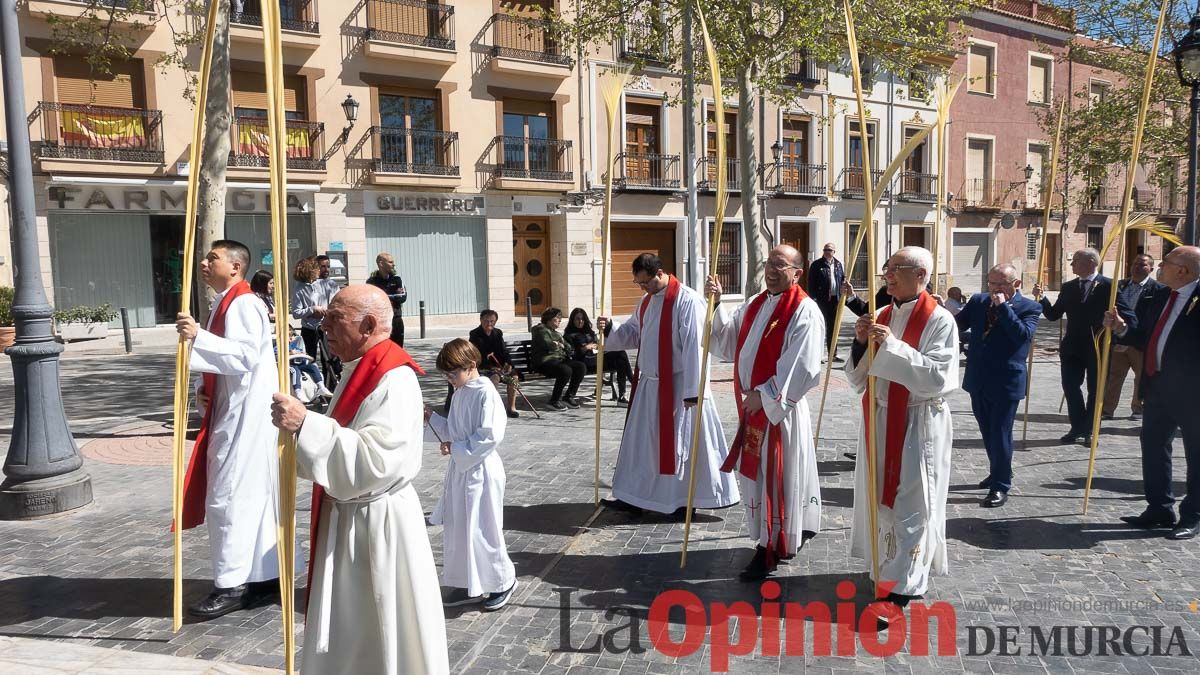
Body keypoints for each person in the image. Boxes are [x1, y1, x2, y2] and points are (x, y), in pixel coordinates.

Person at [268, 285, 449, 674]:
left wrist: (306, 424)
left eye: (335, 318)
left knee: (379, 627)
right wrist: (297, 433)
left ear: (368, 325)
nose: (324, 326)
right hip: (349, 519)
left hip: (376, 524)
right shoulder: (358, 367)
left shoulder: (393, 380)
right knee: (350, 630)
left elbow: (375, 462)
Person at [846, 246, 958, 627]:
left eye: (896, 269)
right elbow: (857, 378)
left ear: (921, 275)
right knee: (882, 500)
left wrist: (891, 345)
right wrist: (861, 342)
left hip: (917, 423)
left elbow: (938, 379)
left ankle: (902, 588)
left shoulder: (940, 320)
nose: (887, 275)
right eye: (887, 268)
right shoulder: (880, 314)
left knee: (913, 505)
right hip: (880, 419)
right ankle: (885, 569)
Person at [173, 240, 280, 619]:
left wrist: (198, 336)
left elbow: (246, 355)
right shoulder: (227, 300)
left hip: (245, 418)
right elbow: (233, 358)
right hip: (234, 409)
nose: (204, 263)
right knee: (251, 495)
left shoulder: (244, 303)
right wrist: (209, 390)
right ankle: (265, 578)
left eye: (213, 258)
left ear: (236, 266)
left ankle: (232, 583)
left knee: (229, 495)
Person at [707, 244, 824, 581]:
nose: (772, 269)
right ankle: (779, 535)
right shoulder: (756, 305)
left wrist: (767, 395)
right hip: (756, 407)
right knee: (760, 478)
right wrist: (715, 305)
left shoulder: (804, 310)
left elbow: (802, 364)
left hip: (779, 412)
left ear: (797, 273)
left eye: (781, 264)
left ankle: (770, 547)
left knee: (777, 477)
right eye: (769, 262)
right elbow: (727, 343)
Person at [596, 253, 740, 517]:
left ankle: (682, 501)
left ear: (660, 273)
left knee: (680, 447)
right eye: (638, 283)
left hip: (678, 389)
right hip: (649, 387)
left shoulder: (688, 301)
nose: (643, 288)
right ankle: (635, 496)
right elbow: (634, 333)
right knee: (642, 446)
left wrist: (692, 392)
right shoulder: (647, 301)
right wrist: (609, 329)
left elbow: (695, 348)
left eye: (646, 282)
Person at [1105, 246, 1200, 540]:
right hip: (1157, 386)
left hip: (1193, 393)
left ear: (1183, 271)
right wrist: (1121, 329)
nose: (1160, 267)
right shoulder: (1161, 294)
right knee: (1154, 447)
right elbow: (1145, 336)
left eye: (1166, 263)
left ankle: (1192, 516)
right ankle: (1159, 508)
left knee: (1196, 455)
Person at [424, 339, 518, 610]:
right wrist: (432, 418)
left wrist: (458, 448)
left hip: (482, 469)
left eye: (453, 374)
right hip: (462, 469)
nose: (450, 380)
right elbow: (455, 430)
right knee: (460, 529)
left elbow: (489, 436)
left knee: (483, 529)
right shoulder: (461, 391)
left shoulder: (485, 391)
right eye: (446, 375)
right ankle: (469, 582)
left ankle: (502, 581)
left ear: (472, 366)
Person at [952, 264, 1041, 508]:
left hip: (1006, 381)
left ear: (1017, 284)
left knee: (1000, 433)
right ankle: (999, 470)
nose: (995, 289)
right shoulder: (979, 301)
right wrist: (940, 311)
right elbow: (956, 325)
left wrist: (1003, 307)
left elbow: (1022, 335)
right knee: (987, 431)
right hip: (978, 378)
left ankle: (1001, 485)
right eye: (992, 283)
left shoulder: (1030, 307)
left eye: (1001, 284)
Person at [1033, 248, 1112, 445]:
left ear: (1091, 263)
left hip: (1098, 347)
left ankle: (1090, 429)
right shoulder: (1068, 287)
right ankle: (1077, 427)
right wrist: (1042, 298)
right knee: (1070, 387)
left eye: (1076, 260)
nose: (1071, 264)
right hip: (1072, 348)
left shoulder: (1110, 287)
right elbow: (1053, 315)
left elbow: (1125, 314)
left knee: (1095, 390)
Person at [1102, 254, 1163, 421]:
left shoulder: (1157, 290)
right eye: (1135, 263)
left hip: (1141, 342)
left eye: (1142, 265)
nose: (1136, 267)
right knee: (1114, 376)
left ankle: (1138, 407)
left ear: (1151, 268)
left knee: (1141, 376)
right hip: (1119, 339)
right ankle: (1107, 409)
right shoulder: (1119, 286)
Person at [563, 307, 633, 403]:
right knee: (620, 356)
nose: (580, 321)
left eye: (582, 319)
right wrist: (585, 348)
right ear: (572, 320)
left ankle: (622, 395)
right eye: (577, 319)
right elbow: (571, 354)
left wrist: (599, 345)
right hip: (584, 362)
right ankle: (633, 381)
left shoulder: (589, 332)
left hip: (597, 359)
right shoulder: (569, 335)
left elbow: (598, 344)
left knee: (620, 356)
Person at [531, 307, 585, 411]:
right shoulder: (540, 330)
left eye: (560, 318)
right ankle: (554, 400)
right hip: (544, 362)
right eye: (557, 318)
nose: (560, 320)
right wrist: (558, 344)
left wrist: (560, 344)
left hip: (558, 360)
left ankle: (569, 396)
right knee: (565, 370)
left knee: (580, 366)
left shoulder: (557, 333)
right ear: (549, 319)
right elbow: (548, 344)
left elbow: (568, 347)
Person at [468, 309, 519, 418]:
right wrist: (491, 366)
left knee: (514, 376)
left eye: (492, 321)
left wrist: (508, 364)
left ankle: (511, 407)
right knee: (495, 378)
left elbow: (504, 351)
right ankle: (491, 409)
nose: (489, 323)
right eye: (486, 321)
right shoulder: (475, 334)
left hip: (500, 367)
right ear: (481, 320)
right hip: (484, 367)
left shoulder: (497, 333)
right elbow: (476, 356)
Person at [807, 242, 846, 361]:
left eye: (829, 250)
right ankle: (818, 355)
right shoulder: (816, 265)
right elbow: (811, 283)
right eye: (825, 250)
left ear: (834, 252)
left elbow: (842, 279)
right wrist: (813, 299)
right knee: (819, 327)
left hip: (835, 300)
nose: (827, 252)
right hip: (821, 300)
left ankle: (832, 355)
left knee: (833, 328)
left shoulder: (839, 265)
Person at [366, 252, 407, 347]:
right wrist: (393, 296)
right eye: (390, 262)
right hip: (379, 321)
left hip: (395, 319)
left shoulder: (397, 279)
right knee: (380, 349)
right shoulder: (371, 281)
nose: (394, 264)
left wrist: (381, 296)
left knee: (397, 349)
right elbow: (370, 300)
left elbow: (402, 297)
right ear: (381, 263)